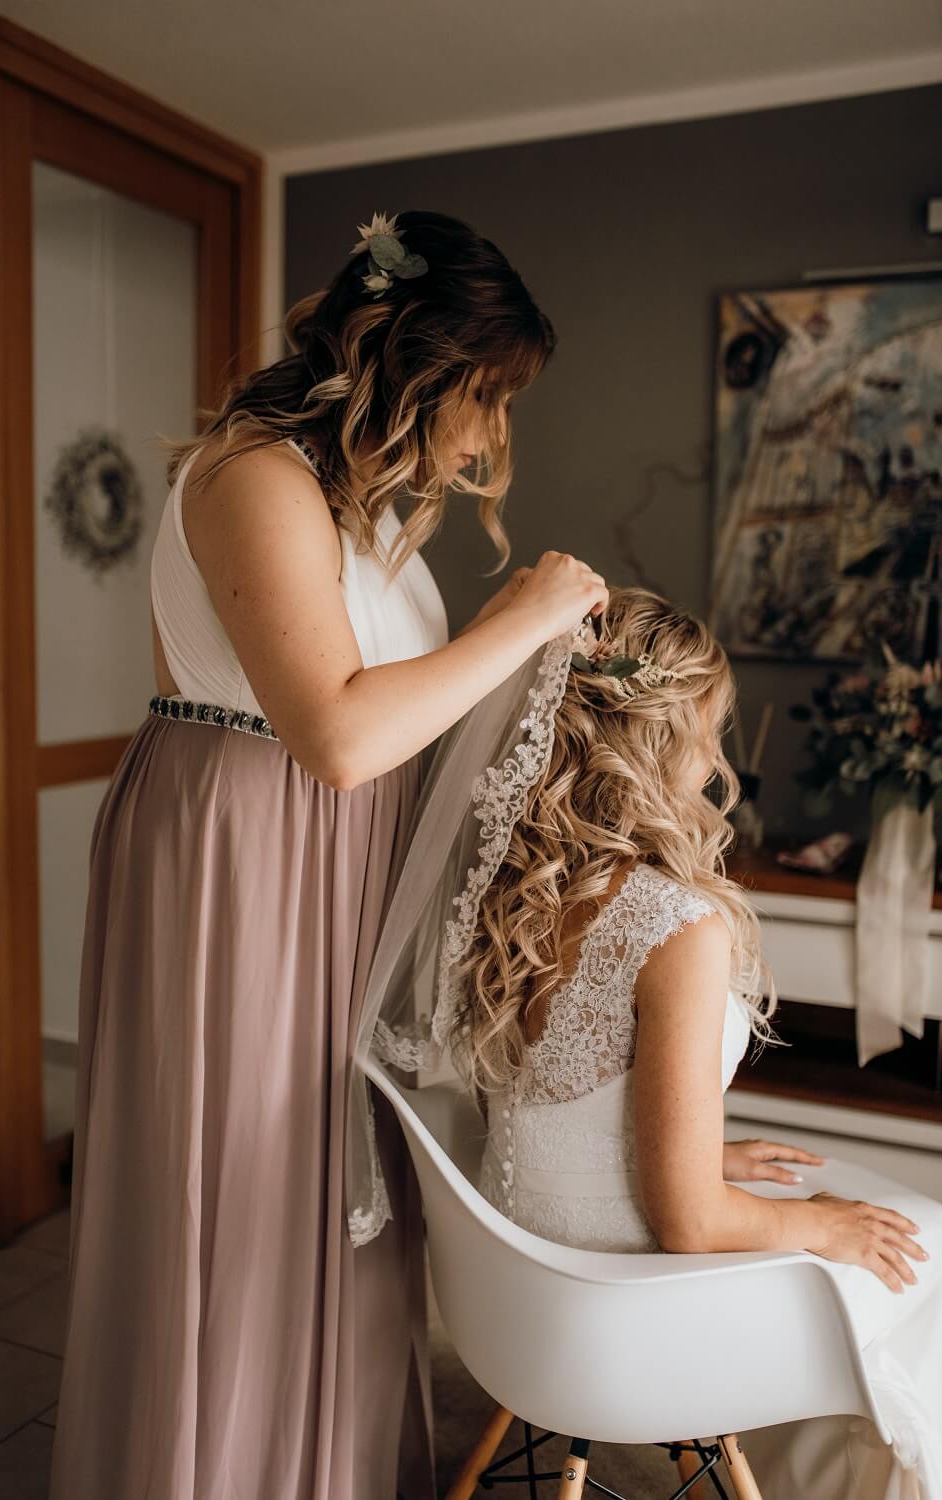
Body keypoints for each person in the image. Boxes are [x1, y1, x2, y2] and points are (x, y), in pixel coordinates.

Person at [48, 208, 610, 1500]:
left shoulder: (361, 512)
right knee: (242, 1201)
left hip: (348, 874)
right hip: (242, 871)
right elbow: (338, 737)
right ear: (413, 360)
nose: (487, 440)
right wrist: (518, 617)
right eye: (484, 397)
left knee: (342, 1200)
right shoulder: (255, 479)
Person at [363, 586, 942, 1499]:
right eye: (708, 728)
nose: (715, 758)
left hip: (520, 1277)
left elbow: (554, 1099)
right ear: (658, 739)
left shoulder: (512, 897)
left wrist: (707, 1150)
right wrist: (816, 1226)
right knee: (925, 1241)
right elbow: (691, 1223)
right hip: (625, 1304)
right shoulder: (675, 925)